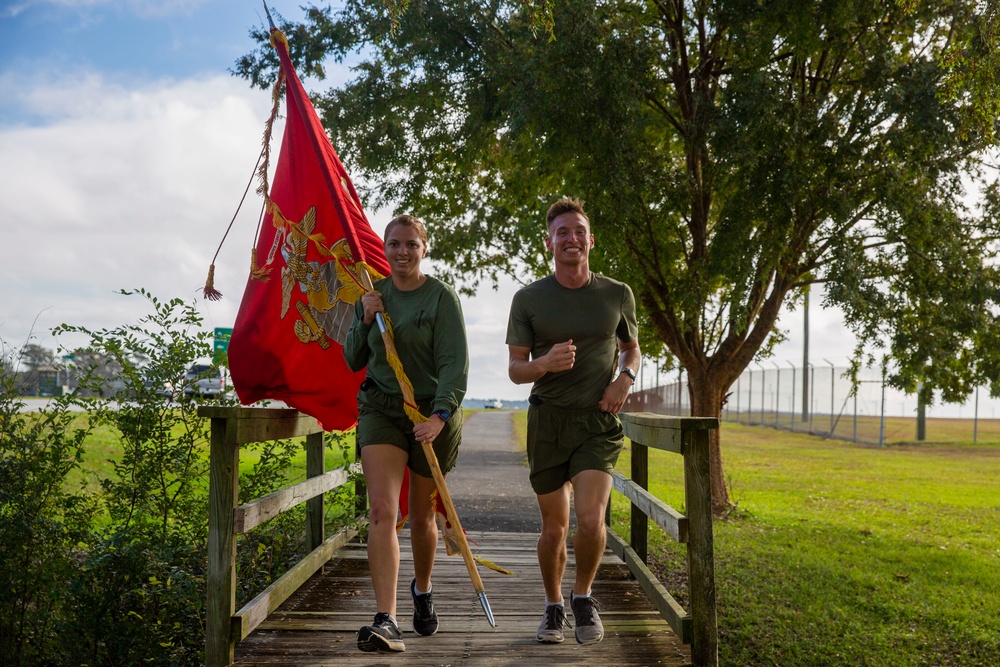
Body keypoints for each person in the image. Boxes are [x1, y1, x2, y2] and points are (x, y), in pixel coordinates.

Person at [506, 196, 640, 645]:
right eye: (562, 232)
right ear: (549, 242)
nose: (571, 239)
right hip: (548, 423)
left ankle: (582, 596)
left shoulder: (616, 293)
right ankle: (553, 606)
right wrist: (544, 362)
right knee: (554, 528)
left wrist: (625, 378)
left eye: (578, 231)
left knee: (590, 518)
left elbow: (631, 347)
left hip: (597, 423)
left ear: (590, 240)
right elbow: (516, 370)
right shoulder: (529, 299)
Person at [344, 214, 469, 653]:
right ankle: (387, 618)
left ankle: (423, 588)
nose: (402, 252)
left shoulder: (441, 298)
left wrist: (438, 416)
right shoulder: (373, 294)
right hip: (381, 406)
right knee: (382, 510)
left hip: (431, 411)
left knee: (420, 515)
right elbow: (352, 359)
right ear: (385, 247)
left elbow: (455, 365)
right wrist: (364, 319)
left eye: (411, 244)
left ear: (424, 248)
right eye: (394, 244)